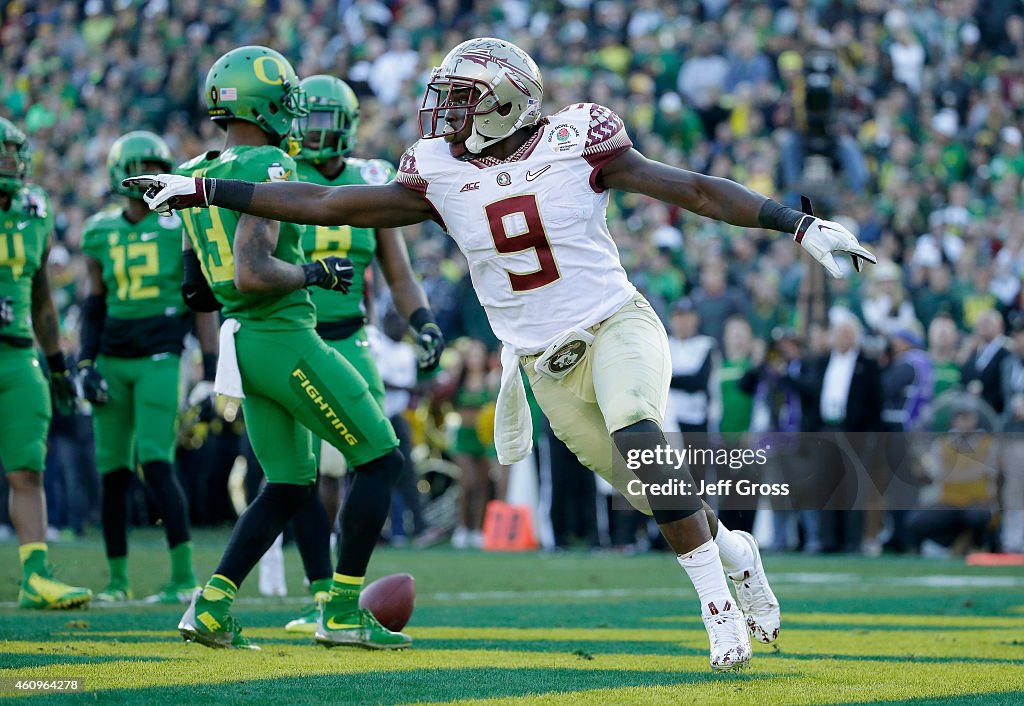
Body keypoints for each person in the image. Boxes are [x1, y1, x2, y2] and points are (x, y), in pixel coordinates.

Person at [129, 37, 876, 671]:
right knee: (655, 494)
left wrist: (797, 225)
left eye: (460, 98)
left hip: (616, 323)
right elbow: (327, 205)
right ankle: (736, 552)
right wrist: (205, 191)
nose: (445, 113)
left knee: (641, 435)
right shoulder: (439, 169)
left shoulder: (578, 137)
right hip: (540, 363)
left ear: (505, 101)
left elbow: (692, 191)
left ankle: (717, 611)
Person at [146, 46, 412, 650]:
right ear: (263, 102)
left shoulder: (196, 169)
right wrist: (315, 274)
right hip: (280, 334)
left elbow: (197, 289)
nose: (294, 111)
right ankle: (342, 610)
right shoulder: (268, 161)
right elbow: (253, 272)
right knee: (382, 460)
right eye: (287, 97)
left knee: (289, 484)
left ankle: (209, 607)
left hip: (242, 345)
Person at [281, 74, 443, 633]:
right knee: (306, 473)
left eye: (325, 120)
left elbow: (398, 272)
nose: (313, 132)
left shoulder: (374, 180)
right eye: (307, 119)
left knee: (372, 460)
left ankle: (343, 590)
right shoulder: (280, 175)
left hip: (353, 339)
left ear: (346, 126)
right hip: (294, 337)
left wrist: (422, 321)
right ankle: (322, 591)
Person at [79, 131, 218, 603]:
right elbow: (94, 305)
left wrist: (212, 365)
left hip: (161, 355)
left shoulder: (181, 223)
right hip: (113, 358)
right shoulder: (98, 230)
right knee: (112, 472)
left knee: (156, 460)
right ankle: (117, 582)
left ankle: (183, 577)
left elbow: (201, 301)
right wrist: (84, 361)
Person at [0, 116, 90, 609]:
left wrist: (57, 366)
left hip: (17, 354)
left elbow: (41, 301)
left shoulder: (34, 210)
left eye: (14, 153)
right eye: (3, 154)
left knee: (28, 469)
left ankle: (35, 575)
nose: (11, 164)